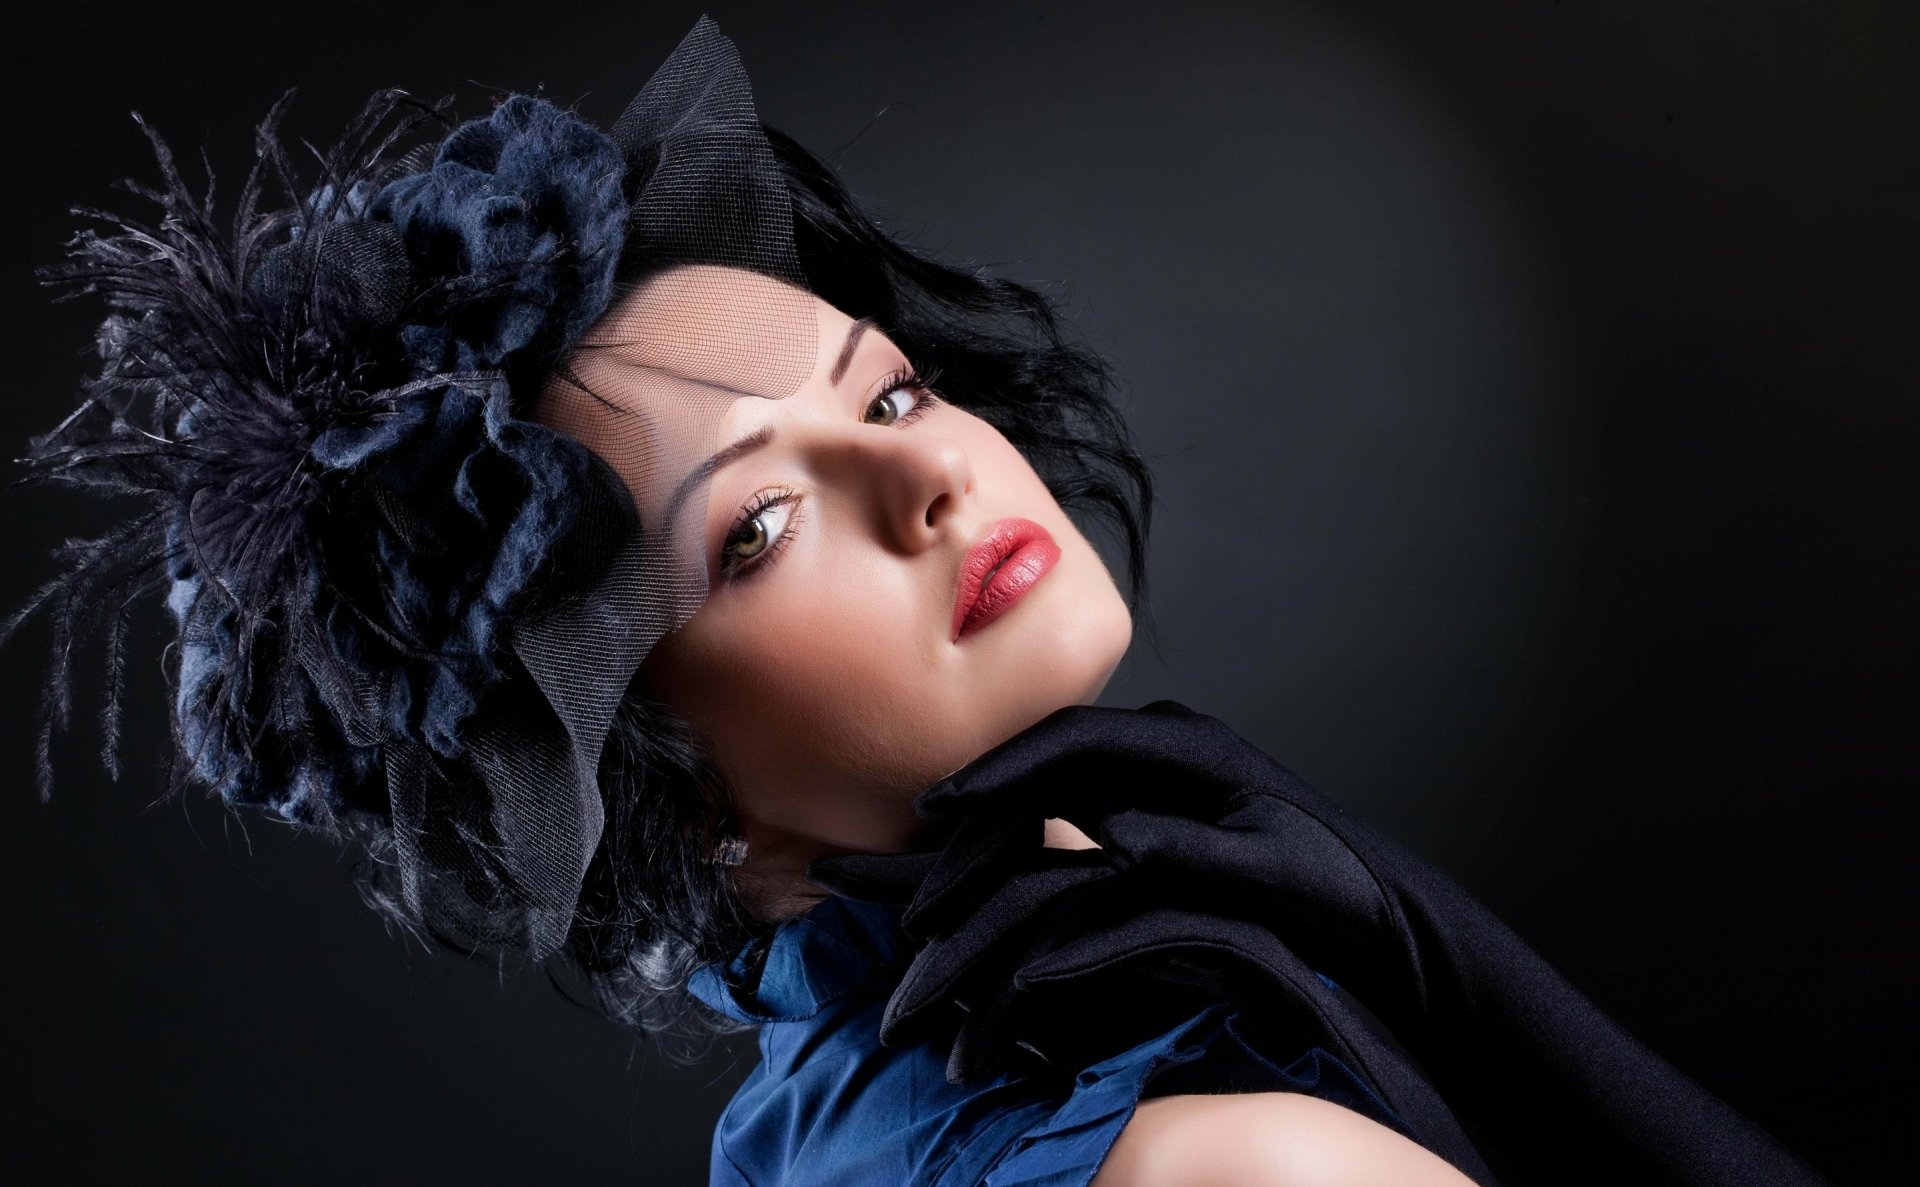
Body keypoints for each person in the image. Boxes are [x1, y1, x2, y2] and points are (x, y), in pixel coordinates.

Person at [10, 18, 1828, 1186]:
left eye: (884, 394)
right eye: (763, 527)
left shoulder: (820, 1122)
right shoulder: (1246, 1172)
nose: (933, 470)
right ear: (643, 761)